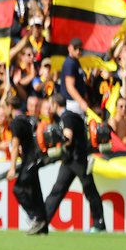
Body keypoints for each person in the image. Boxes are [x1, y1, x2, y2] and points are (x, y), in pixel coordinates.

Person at [44, 41, 106, 231]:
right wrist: (83, 102)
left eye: (80, 49)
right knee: (72, 190)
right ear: (70, 48)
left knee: (68, 190)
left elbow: (67, 136)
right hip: (74, 157)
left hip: (75, 156)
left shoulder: (69, 115)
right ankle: (42, 221)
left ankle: (42, 221)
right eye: (76, 48)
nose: (79, 52)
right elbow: (70, 86)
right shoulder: (70, 64)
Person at [5, 96, 48, 235]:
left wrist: (12, 167)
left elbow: (15, 144)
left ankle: (35, 217)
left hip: (29, 161)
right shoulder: (25, 119)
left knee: (18, 189)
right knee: (36, 193)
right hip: (34, 159)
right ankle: (43, 226)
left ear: (9, 107)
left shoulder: (16, 122)